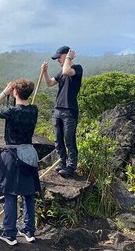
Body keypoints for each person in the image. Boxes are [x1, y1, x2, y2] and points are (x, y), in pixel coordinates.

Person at [0, 79, 41, 246]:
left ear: (15, 92)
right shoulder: (34, 110)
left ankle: (10, 233)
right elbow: (25, 105)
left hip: (12, 154)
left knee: (10, 194)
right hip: (29, 154)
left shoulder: (11, 111)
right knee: (28, 193)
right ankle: (28, 230)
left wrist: (5, 92)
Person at [41, 46, 83, 178]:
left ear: (66, 55)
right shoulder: (61, 72)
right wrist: (45, 72)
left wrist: (69, 58)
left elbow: (66, 71)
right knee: (57, 139)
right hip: (57, 109)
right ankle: (61, 162)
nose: (58, 60)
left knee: (69, 139)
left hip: (70, 110)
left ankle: (71, 166)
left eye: (59, 57)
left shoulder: (77, 69)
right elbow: (49, 83)